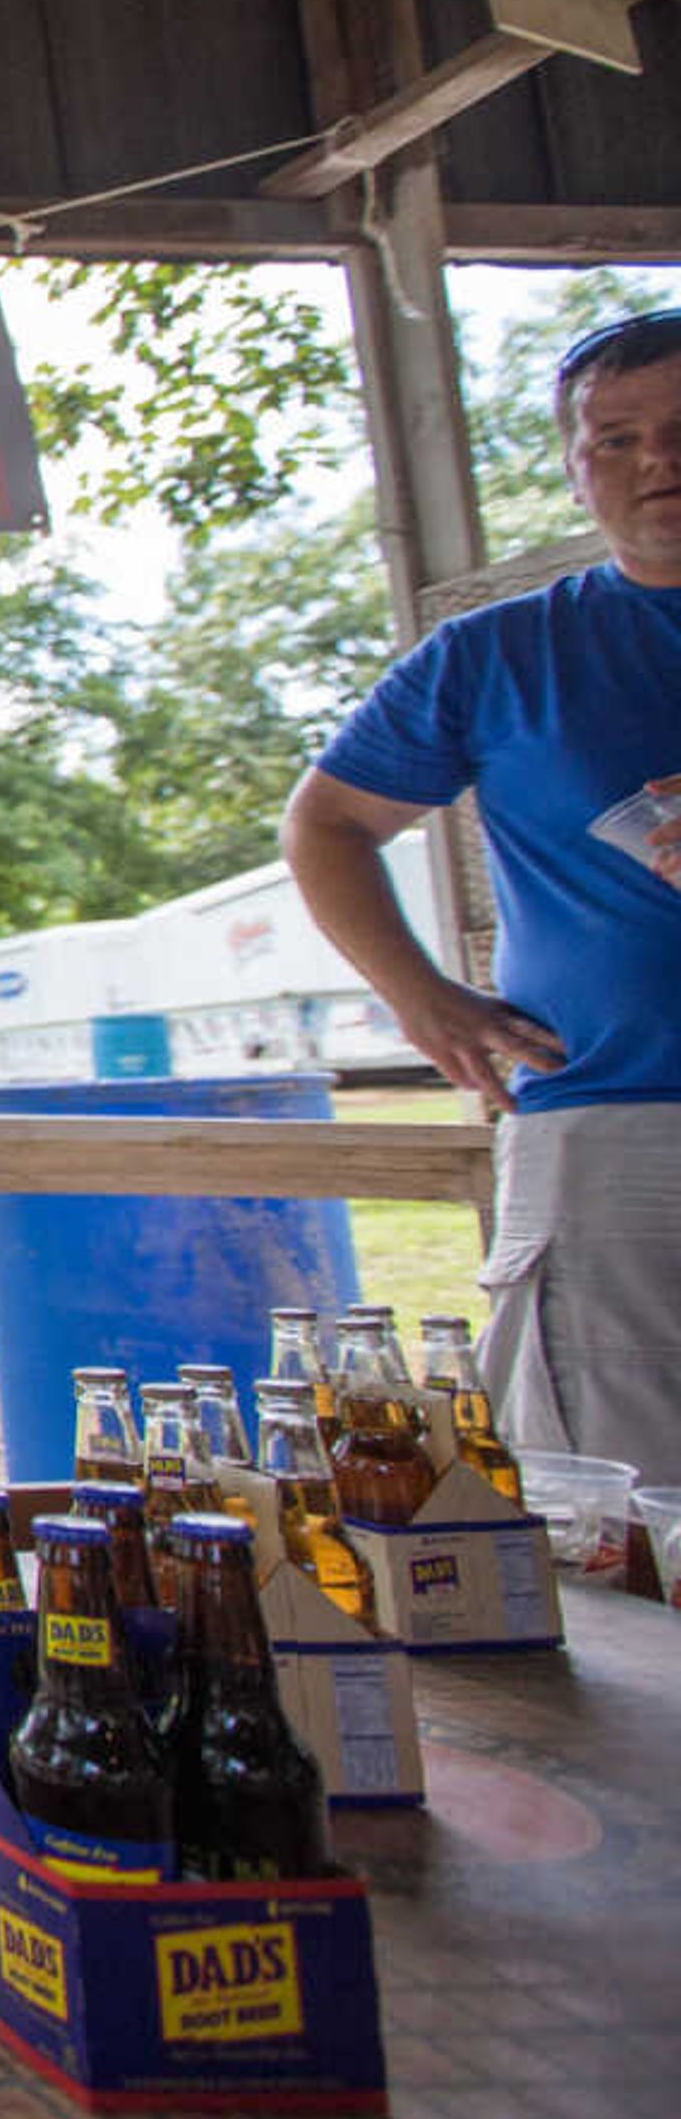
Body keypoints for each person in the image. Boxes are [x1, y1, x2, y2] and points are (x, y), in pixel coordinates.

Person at [281, 304, 681, 1488]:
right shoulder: (498, 654)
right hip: (608, 1127)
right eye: (616, 437)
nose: (658, 460)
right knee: (612, 1501)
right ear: (572, 467)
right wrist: (421, 998)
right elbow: (329, 823)